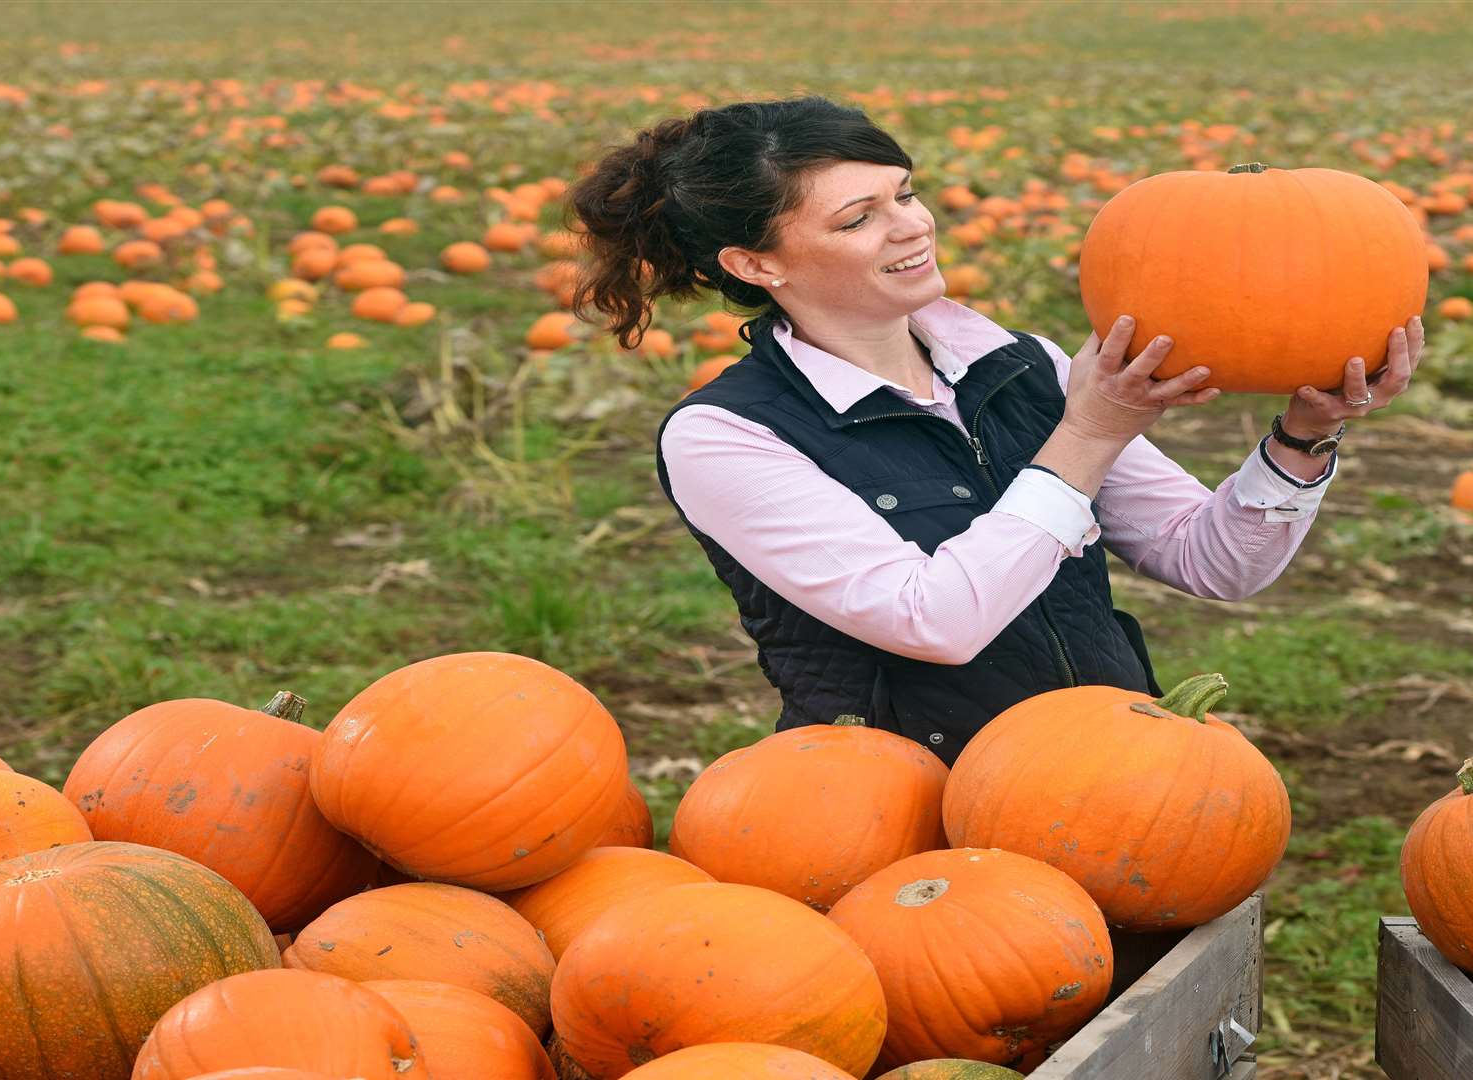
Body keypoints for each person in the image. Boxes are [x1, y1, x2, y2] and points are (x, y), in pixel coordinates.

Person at [569, 96, 1424, 765]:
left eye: (904, 192)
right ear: (756, 265)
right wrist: (1088, 433)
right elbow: (932, 620)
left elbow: (1210, 561)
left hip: (1111, 763)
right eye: (857, 218)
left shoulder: (1021, 363)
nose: (911, 225)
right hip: (904, 816)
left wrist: (1303, 438)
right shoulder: (727, 435)